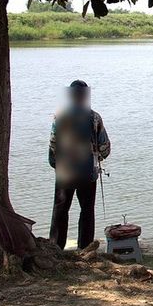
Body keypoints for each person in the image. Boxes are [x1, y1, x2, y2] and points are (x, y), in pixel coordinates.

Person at [48, 80, 111, 250]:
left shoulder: (60, 116)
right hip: (87, 173)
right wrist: (101, 156)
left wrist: (55, 163)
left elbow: (53, 144)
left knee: (60, 209)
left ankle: (55, 247)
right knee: (87, 211)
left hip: (65, 171)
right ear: (85, 96)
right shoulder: (94, 117)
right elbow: (104, 145)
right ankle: (85, 248)